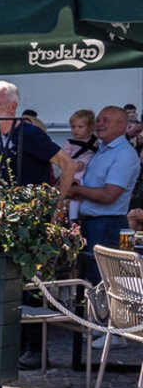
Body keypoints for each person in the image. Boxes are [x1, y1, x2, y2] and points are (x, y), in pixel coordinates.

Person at [0, 81, 76, 371]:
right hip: (9, 219)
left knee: (32, 285)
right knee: (11, 284)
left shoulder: (29, 134)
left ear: (12, 106)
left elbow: (67, 165)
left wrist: (56, 204)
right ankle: (16, 347)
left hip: (34, 221)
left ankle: (36, 350)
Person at [67, 106, 140, 291]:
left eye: (105, 120)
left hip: (107, 225)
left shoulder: (124, 154)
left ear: (121, 125)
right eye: (98, 120)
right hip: (90, 222)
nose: (99, 124)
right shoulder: (100, 150)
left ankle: (101, 312)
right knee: (87, 282)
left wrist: (77, 189)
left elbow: (109, 195)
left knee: (102, 284)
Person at [64, 109, 100, 222]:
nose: (76, 130)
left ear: (90, 127)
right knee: (76, 195)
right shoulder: (70, 143)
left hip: (90, 172)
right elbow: (64, 160)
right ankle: (73, 217)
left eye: (80, 127)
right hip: (76, 173)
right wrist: (73, 164)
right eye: (73, 127)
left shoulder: (95, 141)